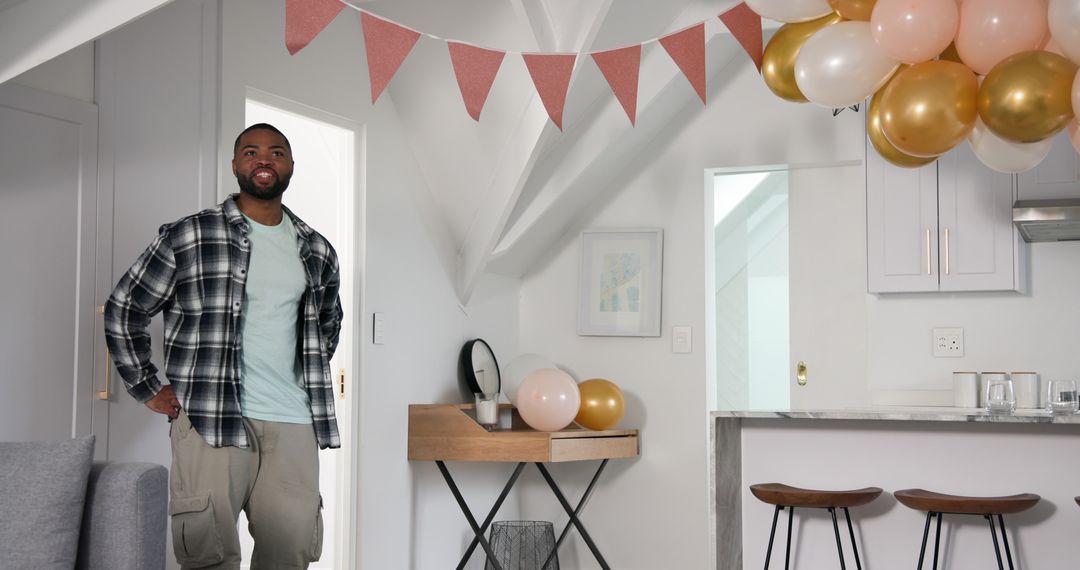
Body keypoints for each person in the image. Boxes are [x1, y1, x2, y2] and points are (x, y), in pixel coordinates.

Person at [104, 123, 343, 569]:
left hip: (293, 422)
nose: (264, 160)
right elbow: (124, 307)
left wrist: (303, 372)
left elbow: (327, 323)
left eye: (276, 152)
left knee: (290, 555)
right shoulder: (190, 235)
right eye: (251, 152)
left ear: (291, 165)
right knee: (208, 555)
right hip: (210, 419)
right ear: (235, 165)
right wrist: (148, 386)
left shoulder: (317, 249)